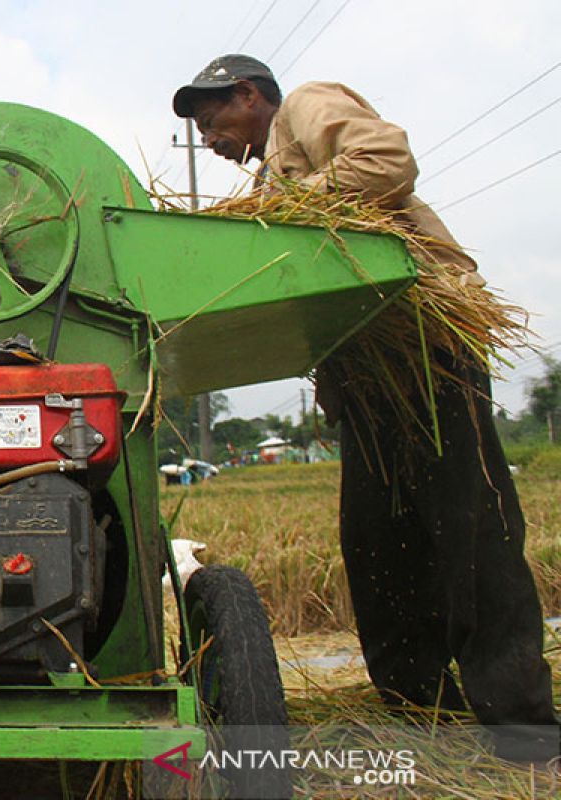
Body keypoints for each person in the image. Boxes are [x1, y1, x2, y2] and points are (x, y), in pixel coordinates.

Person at [171, 55, 559, 762]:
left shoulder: (306, 109)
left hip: (422, 350)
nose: (210, 142)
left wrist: (287, 210)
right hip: (365, 377)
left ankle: (522, 727)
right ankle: (419, 709)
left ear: (249, 96)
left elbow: (385, 160)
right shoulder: (265, 182)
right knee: (379, 544)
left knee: (470, 532)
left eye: (211, 123)